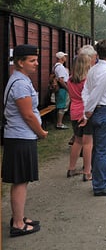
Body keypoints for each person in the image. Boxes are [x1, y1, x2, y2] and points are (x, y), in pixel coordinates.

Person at [2, 44, 48, 237]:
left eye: (36, 60)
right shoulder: (20, 83)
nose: (36, 63)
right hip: (21, 137)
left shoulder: (21, 79)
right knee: (20, 181)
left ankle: (18, 217)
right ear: (20, 62)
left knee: (22, 180)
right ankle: (18, 224)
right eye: (32, 60)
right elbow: (28, 115)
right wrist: (41, 132)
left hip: (20, 137)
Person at [80, 39, 106, 196]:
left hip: (98, 111)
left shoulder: (94, 69)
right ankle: (100, 185)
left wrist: (87, 110)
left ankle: (101, 179)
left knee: (98, 150)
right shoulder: (105, 72)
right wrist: (88, 112)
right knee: (103, 150)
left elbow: (86, 91)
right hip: (105, 112)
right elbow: (95, 94)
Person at [66, 52, 95, 181]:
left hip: (74, 111)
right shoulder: (87, 81)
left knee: (77, 141)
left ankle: (71, 168)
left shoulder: (70, 79)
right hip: (85, 112)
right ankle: (87, 171)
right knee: (88, 143)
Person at [53, 51, 70, 129]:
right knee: (62, 106)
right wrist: (67, 88)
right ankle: (59, 123)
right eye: (64, 56)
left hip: (60, 88)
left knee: (61, 105)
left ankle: (59, 122)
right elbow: (61, 79)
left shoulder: (56, 66)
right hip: (62, 88)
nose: (65, 57)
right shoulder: (60, 67)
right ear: (61, 58)